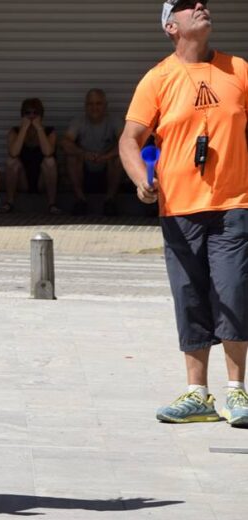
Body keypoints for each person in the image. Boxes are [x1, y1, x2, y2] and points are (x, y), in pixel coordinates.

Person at [119, 0, 248, 426]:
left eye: (203, 4)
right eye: (188, 6)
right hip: (178, 209)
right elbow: (130, 139)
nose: (201, 8)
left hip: (234, 203)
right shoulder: (157, 79)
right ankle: (198, 394)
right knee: (190, 296)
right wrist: (141, 178)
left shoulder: (239, 70)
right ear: (170, 27)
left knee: (232, 291)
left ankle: (237, 392)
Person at [62, 89, 124, 216]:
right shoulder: (78, 121)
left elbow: (126, 143)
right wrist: (83, 154)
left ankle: (110, 201)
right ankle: (80, 200)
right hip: (85, 168)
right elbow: (65, 143)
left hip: (107, 167)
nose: (94, 107)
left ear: (105, 105)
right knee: (72, 157)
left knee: (118, 158)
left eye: (98, 103)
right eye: (90, 104)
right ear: (85, 106)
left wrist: (107, 156)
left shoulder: (115, 121)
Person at [0, 98, 61, 214]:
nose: (31, 116)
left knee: (50, 161)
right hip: (23, 180)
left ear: (41, 115)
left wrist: (39, 128)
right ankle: (9, 202)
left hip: (42, 180)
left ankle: (52, 203)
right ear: (22, 115)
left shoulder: (50, 132)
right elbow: (13, 153)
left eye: (35, 113)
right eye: (28, 113)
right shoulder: (15, 131)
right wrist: (24, 129)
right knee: (11, 162)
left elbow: (48, 152)